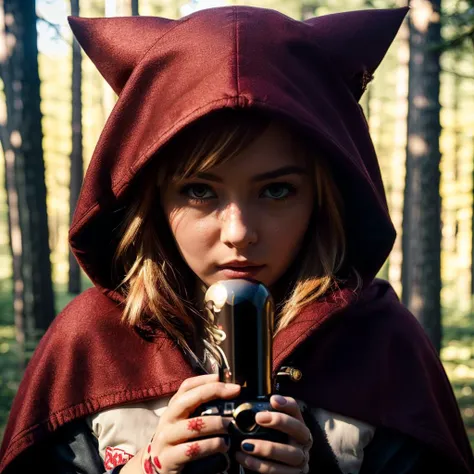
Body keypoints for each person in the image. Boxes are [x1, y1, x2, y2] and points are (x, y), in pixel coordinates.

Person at [0, 5, 473, 474]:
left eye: (277, 190)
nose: (239, 233)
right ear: (153, 198)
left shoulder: (381, 343)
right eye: (200, 190)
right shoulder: (90, 341)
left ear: (325, 198)